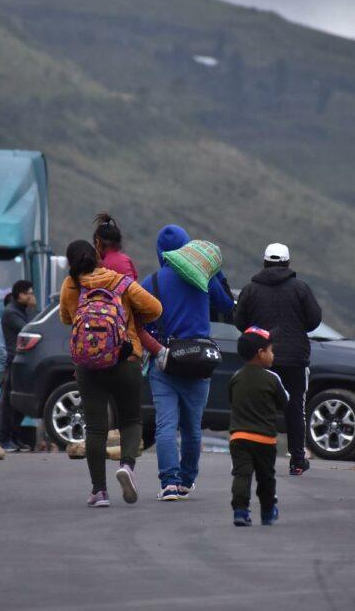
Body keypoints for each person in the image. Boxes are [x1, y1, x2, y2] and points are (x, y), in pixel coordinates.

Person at [59, 240, 161, 507]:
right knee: (131, 419)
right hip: (126, 359)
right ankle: (126, 466)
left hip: (88, 365)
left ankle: (99, 491)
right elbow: (155, 308)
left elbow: (65, 318)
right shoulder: (120, 282)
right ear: (97, 257)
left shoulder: (71, 285)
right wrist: (130, 319)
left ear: (71, 262)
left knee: (95, 428)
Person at [142, 225, 234, 500]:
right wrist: (215, 269)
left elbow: (139, 323)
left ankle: (168, 483)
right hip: (198, 360)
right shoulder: (202, 275)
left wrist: (156, 347)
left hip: (165, 360)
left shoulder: (151, 282)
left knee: (166, 424)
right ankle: (186, 480)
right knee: (192, 427)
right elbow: (227, 305)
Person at [234, 242, 322, 476]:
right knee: (295, 408)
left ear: (265, 263)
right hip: (295, 358)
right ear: (287, 263)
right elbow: (314, 320)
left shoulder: (250, 289)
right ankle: (297, 461)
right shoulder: (300, 288)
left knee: (259, 408)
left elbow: (240, 322)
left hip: (260, 357)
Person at [229, 327, 288, 527]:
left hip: (239, 437)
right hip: (264, 439)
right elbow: (284, 401)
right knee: (266, 477)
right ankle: (268, 511)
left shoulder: (236, 376)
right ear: (261, 353)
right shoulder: (272, 378)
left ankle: (240, 511)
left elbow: (232, 399)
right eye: (271, 350)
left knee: (242, 474)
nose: (273, 354)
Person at [93, 213, 163, 357]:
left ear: (98, 243)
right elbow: (134, 286)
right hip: (128, 315)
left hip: (108, 322)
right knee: (140, 331)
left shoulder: (99, 267)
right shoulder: (125, 260)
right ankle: (161, 353)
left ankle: (160, 352)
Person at [0, 280, 37, 451]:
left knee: (18, 405)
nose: (31, 296)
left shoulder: (21, 310)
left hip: (22, 363)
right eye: (29, 293)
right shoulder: (10, 312)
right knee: (7, 405)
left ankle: (13, 437)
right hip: (13, 363)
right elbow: (28, 330)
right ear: (20, 294)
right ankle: (1, 439)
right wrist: (33, 309)